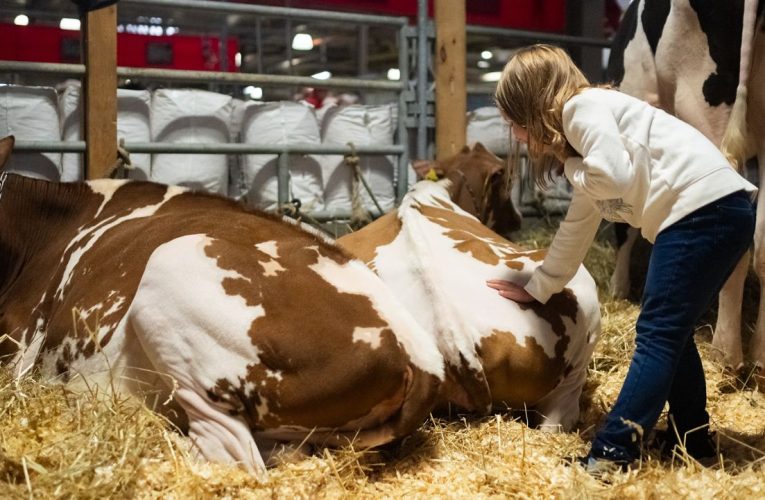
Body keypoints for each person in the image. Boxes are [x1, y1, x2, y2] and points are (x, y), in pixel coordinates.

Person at [486, 44, 757, 474]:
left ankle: (612, 454)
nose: (517, 135)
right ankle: (693, 440)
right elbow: (578, 225)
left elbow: (612, 178)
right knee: (673, 331)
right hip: (720, 211)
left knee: (657, 333)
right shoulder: (586, 133)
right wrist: (538, 286)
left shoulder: (581, 108)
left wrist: (574, 170)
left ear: (533, 104)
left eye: (515, 121)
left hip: (704, 211)